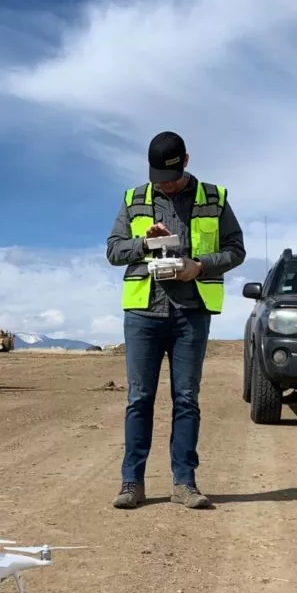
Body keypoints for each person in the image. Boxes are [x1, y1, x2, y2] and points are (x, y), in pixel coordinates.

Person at [105, 131, 246, 509]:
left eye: (169, 176)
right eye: (157, 178)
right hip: (143, 314)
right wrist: (144, 243)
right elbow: (114, 251)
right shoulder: (135, 199)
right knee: (139, 398)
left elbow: (236, 250)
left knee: (186, 398)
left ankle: (184, 483)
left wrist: (198, 266)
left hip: (191, 313)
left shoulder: (214, 199)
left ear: (185, 161)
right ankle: (131, 482)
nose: (163, 185)